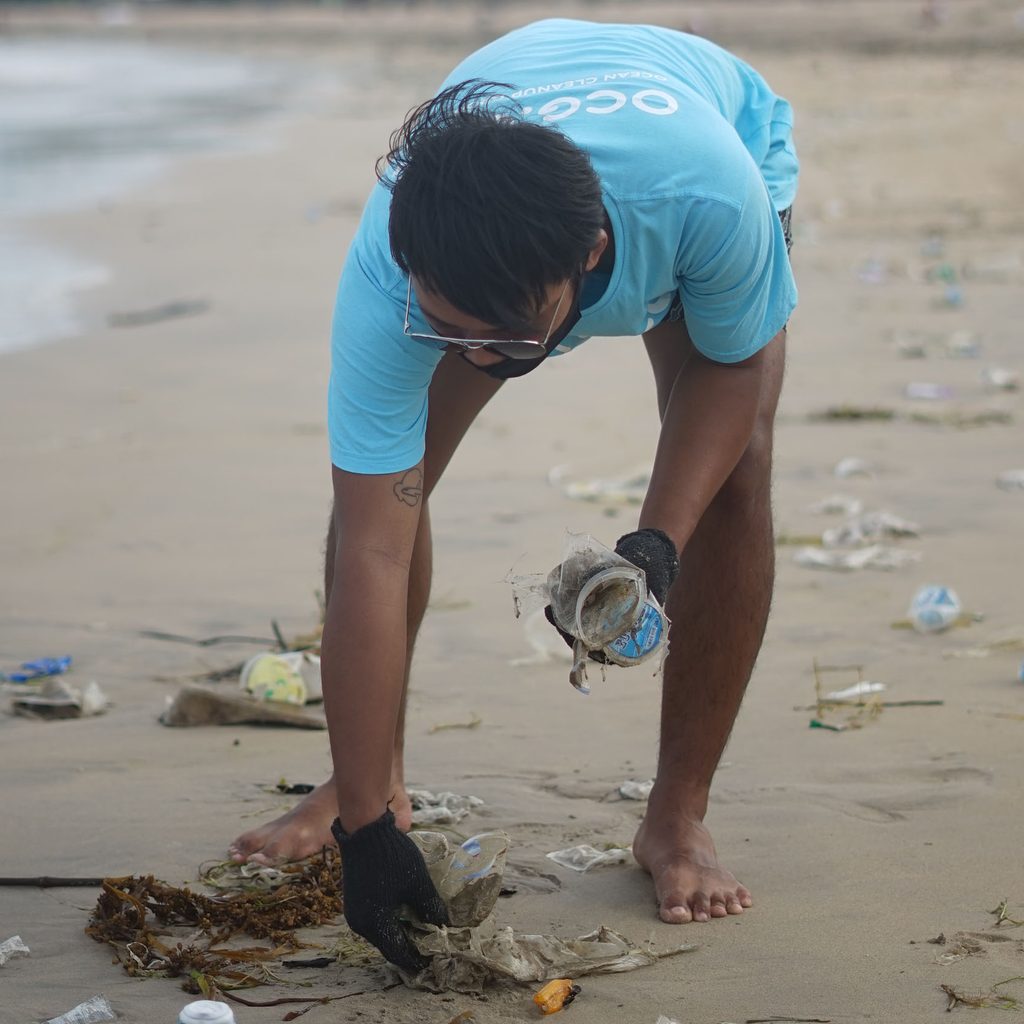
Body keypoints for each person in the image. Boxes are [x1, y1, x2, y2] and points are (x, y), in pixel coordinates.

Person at [230, 18, 798, 971]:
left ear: (590, 261)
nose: (481, 362)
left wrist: (656, 546)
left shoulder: (706, 196)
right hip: (505, 203)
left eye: (509, 343)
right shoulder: (390, 273)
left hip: (707, 133)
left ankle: (677, 818)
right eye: (452, 333)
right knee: (385, 503)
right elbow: (375, 545)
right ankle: (366, 783)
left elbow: (730, 376)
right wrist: (369, 836)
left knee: (737, 474)